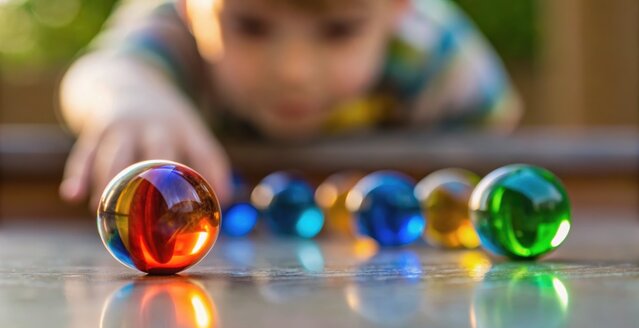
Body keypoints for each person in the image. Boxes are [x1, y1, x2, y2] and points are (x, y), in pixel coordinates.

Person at [58, 0, 521, 208]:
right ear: (186, 5)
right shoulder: (173, 33)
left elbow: (492, 125)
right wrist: (134, 99)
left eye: (339, 30)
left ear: (398, 7)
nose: (293, 71)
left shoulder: (429, 48)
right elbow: (102, 71)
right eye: (251, 27)